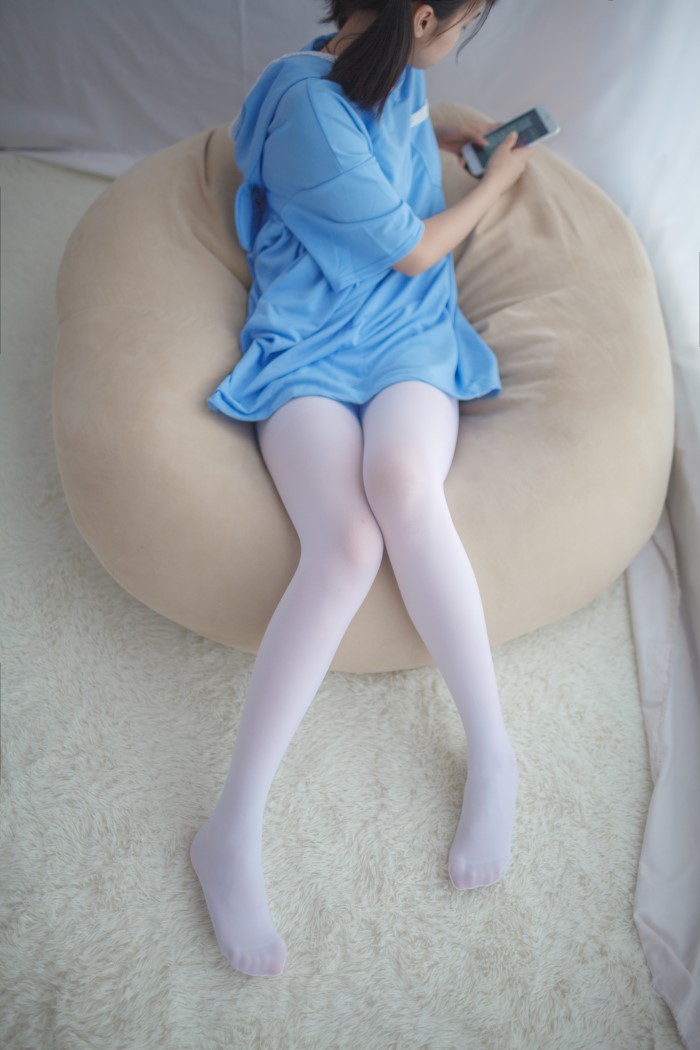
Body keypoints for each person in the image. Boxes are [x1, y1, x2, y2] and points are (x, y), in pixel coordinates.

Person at [191, 0, 531, 978]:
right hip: (307, 341)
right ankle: (230, 827)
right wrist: (500, 183)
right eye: (462, 26)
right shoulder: (305, 106)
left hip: (406, 336)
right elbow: (417, 247)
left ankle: (493, 751)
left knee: (402, 484)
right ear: (422, 17)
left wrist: (452, 127)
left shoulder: (384, 69)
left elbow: (401, 118)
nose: (458, 44)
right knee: (344, 544)